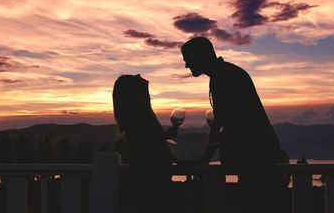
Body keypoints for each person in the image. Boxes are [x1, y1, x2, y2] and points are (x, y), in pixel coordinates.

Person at [181, 37, 282, 213]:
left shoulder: (224, 77)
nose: (186, 66)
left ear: (200, 57)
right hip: (257, 155)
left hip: (256, 157)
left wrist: (205, 158)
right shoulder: (224, 73)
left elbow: (221, 122)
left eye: (188, 60)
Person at [113, 74, 174, 213]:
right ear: (133, 93)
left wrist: (164, 137)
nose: (141, 76)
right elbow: (151, 151)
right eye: (136, 78)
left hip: (148, 185)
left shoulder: (138, 116)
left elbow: (150, 144)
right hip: (154, 186)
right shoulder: (141, 115)